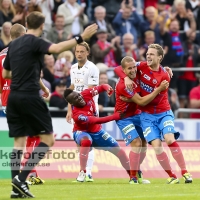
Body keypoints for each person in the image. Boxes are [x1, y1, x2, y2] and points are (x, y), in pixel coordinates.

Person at [2, 11, 98, 198]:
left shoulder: (12, 45)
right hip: (30, 96)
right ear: (41, 25)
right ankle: (21, 179)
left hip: (12, 98)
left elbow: (5, 75)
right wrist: (81, 37)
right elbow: (56, 48)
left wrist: (23, 75)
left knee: (18, 143)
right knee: (48, 139)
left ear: (27, 22)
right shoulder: (35, 41)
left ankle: (15, 189)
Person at [115, 44, 193, 184]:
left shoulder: (164, 76)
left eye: (152, 54)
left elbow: (153, 101)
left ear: (160, 57)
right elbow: (119, 67)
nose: (148, 56)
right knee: (156, 146)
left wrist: (136, 100)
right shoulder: (141, 66)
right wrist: (125, 77)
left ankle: (185, 172)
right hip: (146, 116)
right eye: (147, 53)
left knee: (169, 139)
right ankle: (172, 176)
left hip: (163, 113)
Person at [115, 56, 169, 184]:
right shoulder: (124, 84)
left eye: (134, 67)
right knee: (137, 143)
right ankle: (132, 177)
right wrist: (158, 90)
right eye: (129, 69)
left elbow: (156, 65)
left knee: (144, 145)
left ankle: (136, 170)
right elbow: (141, 101)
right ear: (124, 70)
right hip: (124, 117)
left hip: (138, 115)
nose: (134, 70)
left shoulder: (138, 72)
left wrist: (165, 69)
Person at [64, 84, 131, 182]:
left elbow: (102, 86)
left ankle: (133, 175)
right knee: (86, 141)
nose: (80, 98)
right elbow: (96, 120)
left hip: (97, 131)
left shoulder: (87, 93)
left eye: (78, 95)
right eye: (76, 98)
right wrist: (115, 116)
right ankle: (82, 172)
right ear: (72, 103)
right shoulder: (77, 115)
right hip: (81, 132)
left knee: (119, 151)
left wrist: (108, 88)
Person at [66, 41, 99, 182]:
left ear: (87, 53)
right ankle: (83, 171)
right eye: (77, 51)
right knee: (80, 141)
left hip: (89, 108)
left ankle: (88, 173)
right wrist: (69, 109)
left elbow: (89, 91)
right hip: (76, 109)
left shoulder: (92, 68)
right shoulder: (73, 68)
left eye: (82, 52)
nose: (79, 54)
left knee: (88, 140)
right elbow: (72, 89)